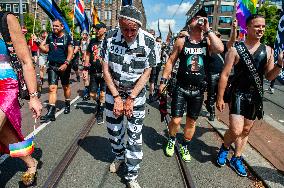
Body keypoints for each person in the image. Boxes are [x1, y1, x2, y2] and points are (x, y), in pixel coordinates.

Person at [216, 14, 283, 177]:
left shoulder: (268, 51)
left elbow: (269, 76)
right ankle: (225, 147)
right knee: (236, 129)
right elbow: (224, 74)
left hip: (255, 97)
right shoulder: (235, 49)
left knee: (246, 130)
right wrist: (220, 97)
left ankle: (236, 158)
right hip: (238, 93)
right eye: (257, 26)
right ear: (247, 28)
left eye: (263, 26)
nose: (261, 29)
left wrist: (280, 64)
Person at [159, 9, 224, 162]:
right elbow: (170, 61)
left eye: (203, 18)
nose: (200, 20)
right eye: (197, 18)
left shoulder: (207, 42)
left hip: (198, 90)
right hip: (181, 87)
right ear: (190, 21)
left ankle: (185, 145)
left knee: (191, 121)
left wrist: (208, 30)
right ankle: (172, 138)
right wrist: (163, 81)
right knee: (175, 120)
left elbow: (220, 49)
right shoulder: (182, 41)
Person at [101, 6, 155, 188]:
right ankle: (119, 156)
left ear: (139, 27)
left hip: (136, 94)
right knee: (114, 131)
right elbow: (105, 69)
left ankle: (132, 175)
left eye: (133, 29)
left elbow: (148, 71)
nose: (129, 33)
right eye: (125, 29)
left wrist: (131, 98)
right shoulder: (109, 37)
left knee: (134, 136)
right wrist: (116, 97)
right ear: (119, 24)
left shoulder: (149, 41)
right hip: (113, 91)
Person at [0, 12, 42, 186]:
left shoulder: (6, 19)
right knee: (5, 134)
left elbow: (26, 61)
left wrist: (33, 97)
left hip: (5, 86)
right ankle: (31, 163)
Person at [39, 19, 74, 122]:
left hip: (64, 66)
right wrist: (39, 43)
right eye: (53, 26)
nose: (54, 28)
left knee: (65, 87)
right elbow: (45, 50)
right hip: (52, 66)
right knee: (52, 88)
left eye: (56, 26)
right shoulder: (50, 36)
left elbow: (71, 52)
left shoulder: (67, 37)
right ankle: (51, 112)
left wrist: (66, 63)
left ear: (62, 27)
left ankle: (67, 103)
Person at [84, 22, 107, 124]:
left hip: (105, 73)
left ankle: (100, 112)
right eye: (95, 29)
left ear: (104, 30)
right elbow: (88, 55)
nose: (96, 31)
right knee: (92, 93)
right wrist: (85, 68)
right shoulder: (92, 41)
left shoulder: (108, 41)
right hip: (93, 71)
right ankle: (100, 103)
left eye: (98, 29)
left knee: (103, 93)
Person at [149, 32, 162, 102]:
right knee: (153, 79)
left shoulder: (152, 42)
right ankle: (151, 94)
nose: (159, 42)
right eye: (159, 41)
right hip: (155, 63)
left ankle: (151, 94)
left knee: (153, 79)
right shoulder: (153, 42)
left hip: (157, 63)